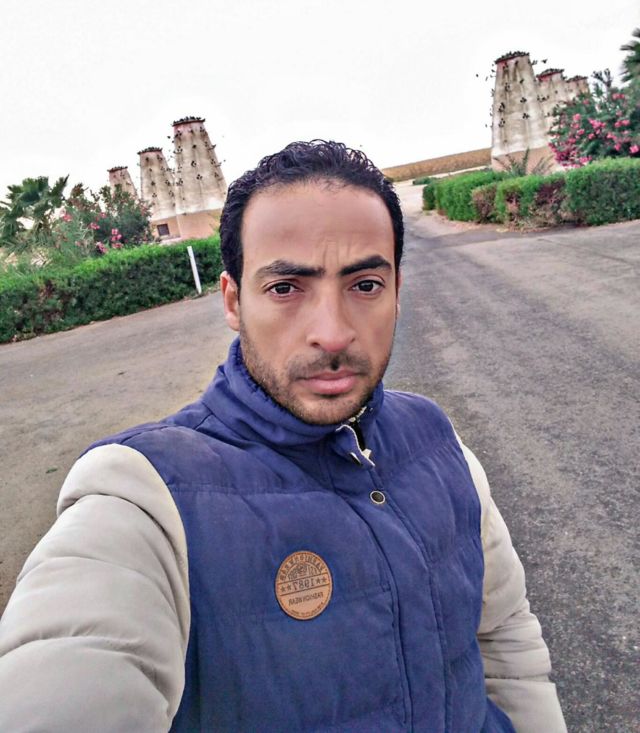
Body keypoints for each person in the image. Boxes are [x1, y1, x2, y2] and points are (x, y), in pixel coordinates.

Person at [0, 140, 566, 732]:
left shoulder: (437, 443)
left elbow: (506, 643)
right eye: (286, 288)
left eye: (365, 285)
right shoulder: (146, 500)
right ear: (233, 301)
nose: (333, 333)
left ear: (397, 289)